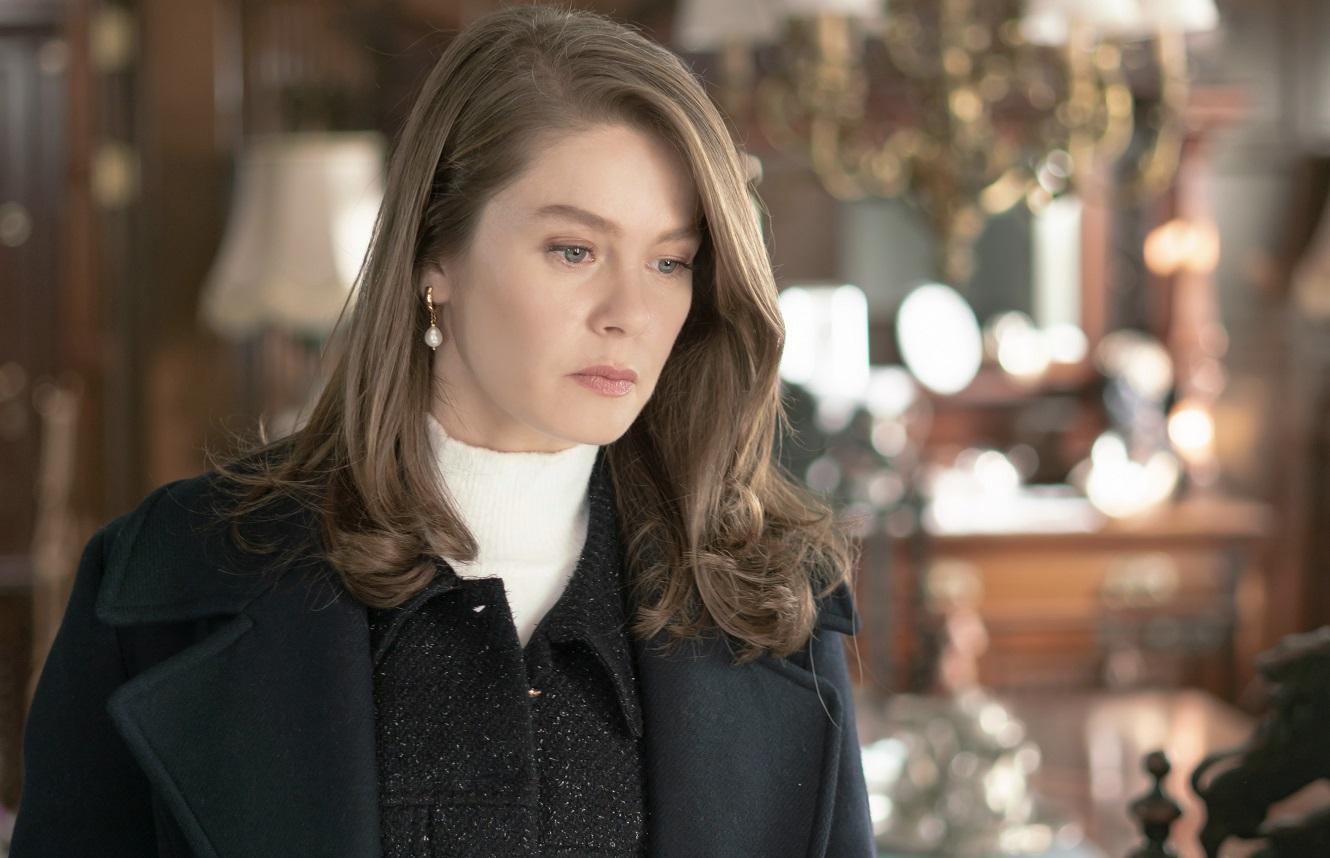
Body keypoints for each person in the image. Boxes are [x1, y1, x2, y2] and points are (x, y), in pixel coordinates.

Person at [10, 5, 874, 856]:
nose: (631, 313)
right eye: (574, 250)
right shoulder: (168, 577)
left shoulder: (772, 603)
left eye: (669, 261)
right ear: (436, 254)